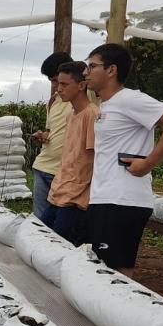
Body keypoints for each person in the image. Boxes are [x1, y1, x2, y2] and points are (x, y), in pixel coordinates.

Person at [83, 43, 163, 274]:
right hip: (104, 197)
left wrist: (149, 162)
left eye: (92, 66)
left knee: (116, 271)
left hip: (122, 200)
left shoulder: (129, 99)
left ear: (111, 70)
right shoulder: (107, 104)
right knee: (102, 268)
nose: (86, 72)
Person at [39, 61, 97, 246]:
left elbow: (95, 160)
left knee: (61, 246)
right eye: (58, 84)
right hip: (60, 190)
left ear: (81, 85)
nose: (58, 89)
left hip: (76, 197)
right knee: (42, 238)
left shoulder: (92, 115)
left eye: (64, 84)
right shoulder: (71, 115)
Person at [30, 52, 74, 218]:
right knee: (40, 223)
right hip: (42, 167)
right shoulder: (53, 101)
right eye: (53, 81)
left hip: (66, 173)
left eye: (59, 81)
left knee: (62, 224)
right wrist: (42, 135)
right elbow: (51, 131)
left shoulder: (87, 96)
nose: (56, 86)